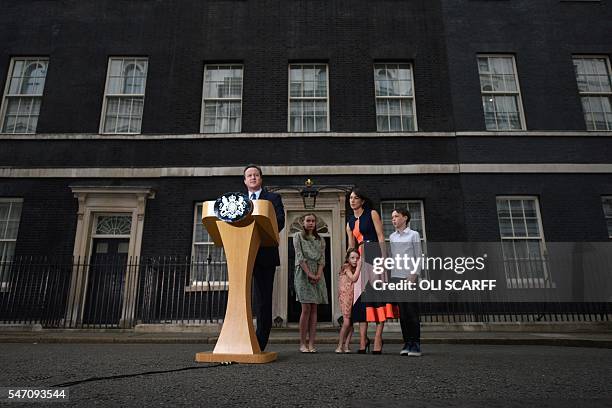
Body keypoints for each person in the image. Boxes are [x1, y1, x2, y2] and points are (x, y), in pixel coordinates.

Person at [346, 187, 398, 354]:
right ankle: (362, 339)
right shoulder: (349, 222)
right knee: (361, 299)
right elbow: (351, 246)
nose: (352, 200)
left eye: (356, 198)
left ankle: (377, 338)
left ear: (362, 201)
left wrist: (383, 260)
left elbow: (381, 236)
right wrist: (348, 264)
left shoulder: (372, 214)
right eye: (350, 198)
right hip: (360, 259)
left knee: (377, 297)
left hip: (375, 254)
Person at [244, 164, 285, 351]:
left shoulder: (272, 198)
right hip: (242, 255)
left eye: (256, 175)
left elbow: (280, 221)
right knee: (242, 298)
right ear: (245, 181)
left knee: (262, 300)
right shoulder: (240, 200)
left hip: (265, 255)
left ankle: (260, 341)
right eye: (249, 175)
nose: (253, 178)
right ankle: (242, 336)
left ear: (261, 179)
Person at [389, 208, 422, 357]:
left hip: (410, 278)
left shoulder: (414, 235)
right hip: (397, 278)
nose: (393, 219)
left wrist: (414, 275)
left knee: (412, 312)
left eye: (396, 216)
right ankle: (407, 343)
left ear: (405, 218)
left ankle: (416, 345)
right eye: (392, 217)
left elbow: (418, 257)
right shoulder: (392, 237)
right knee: (402, 313)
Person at [293, 213, 328, 353]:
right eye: (308, 220)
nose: (311, 223)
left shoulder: (321, 240)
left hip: (317, 274)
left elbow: (322, 259)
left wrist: (318, 274)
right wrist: (309, 274)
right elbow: (300, 257)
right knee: (306, 307)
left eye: (313, 221)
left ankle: (312, 344)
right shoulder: (297, 236)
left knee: (314, 308)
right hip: (303, 272)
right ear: (303, 222)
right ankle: (302, 343)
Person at [336, 247, 361, 354]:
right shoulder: (346, 267)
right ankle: (339, 345)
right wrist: (360, 266)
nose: (355, 260)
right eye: (352, 258)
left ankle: (346, 345)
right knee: (346, 323)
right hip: (346, 298)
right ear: (348, 259)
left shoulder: (355, 268)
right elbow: (353, 278)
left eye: (357, 258)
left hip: (353, 297)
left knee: (351, 324)